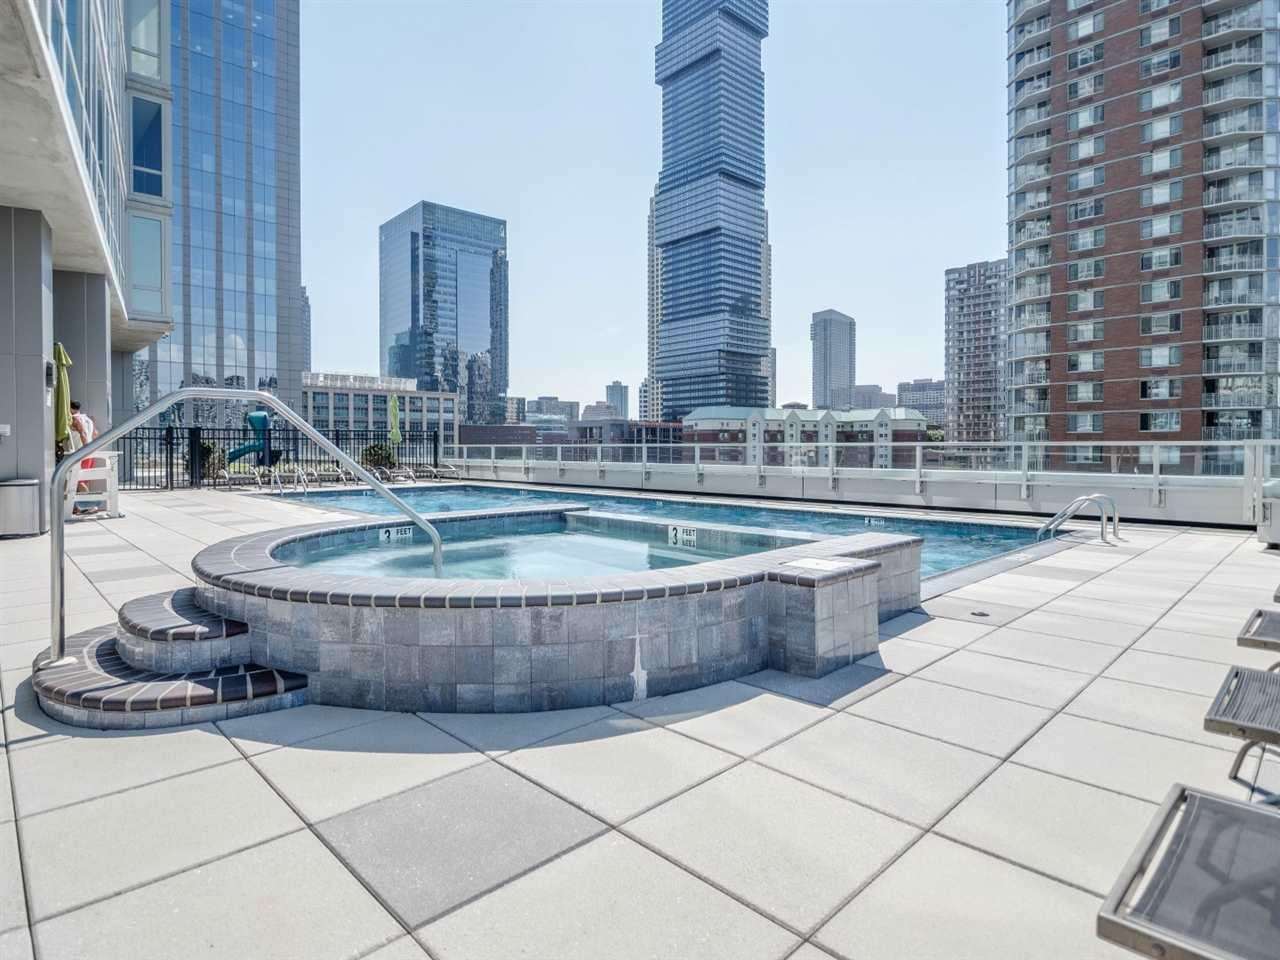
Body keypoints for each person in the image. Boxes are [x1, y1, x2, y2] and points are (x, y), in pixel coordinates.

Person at [68, 401, 101, 514]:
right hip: (90, 453)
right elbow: (96, 433)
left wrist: (84, 449)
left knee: (78, 480)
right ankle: (79, 507)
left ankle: (90, 505)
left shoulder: (74, 419)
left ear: (70, 408)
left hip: (81, 453)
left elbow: (83, 433)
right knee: (83, 480)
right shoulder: (88, 419)